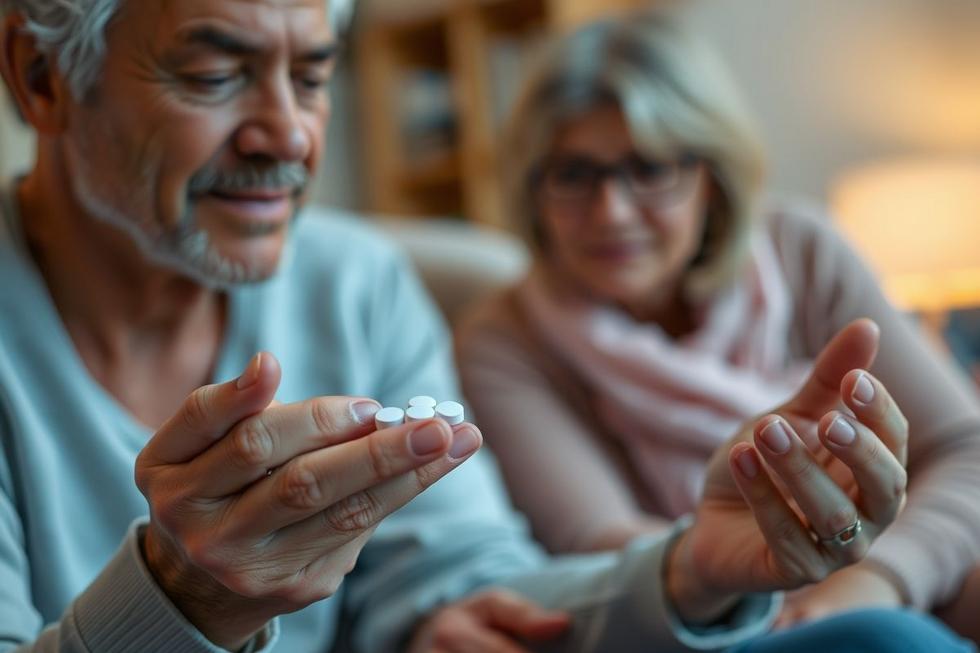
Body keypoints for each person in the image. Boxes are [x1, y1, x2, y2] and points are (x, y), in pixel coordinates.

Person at [0, 1, 963, 652]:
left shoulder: (360, 282)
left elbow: (461, 583)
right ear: (41, 78)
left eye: (315, 76)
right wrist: (180, 603)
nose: (290, 136)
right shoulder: (505, 333)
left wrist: (690, 569)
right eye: (215, 76)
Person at [455, 9, 980, 643]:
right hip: (716, 622)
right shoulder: (504, 340)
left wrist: (877, 580)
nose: (612, 212)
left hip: (887, 575)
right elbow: (602, 547)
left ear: (713, 174)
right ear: (532, 188)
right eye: (573, 175)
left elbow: (962, 449)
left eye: (650, 168)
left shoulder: (800, 250)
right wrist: (789, 571)